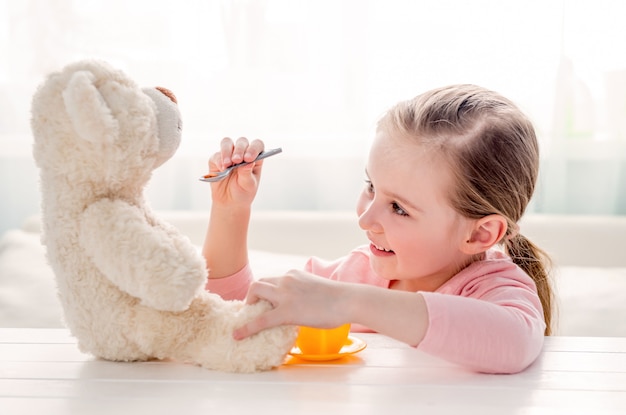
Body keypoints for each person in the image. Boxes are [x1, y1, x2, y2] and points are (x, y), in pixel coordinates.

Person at [202, 84, 553, 374]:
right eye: (371, 186)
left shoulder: (493, 288)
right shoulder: (353, 274)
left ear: (480, 234)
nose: (365, 219)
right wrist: (230, 211)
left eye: (399, 208)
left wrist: (348, 302)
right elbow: (229, 314)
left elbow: (515, 342)